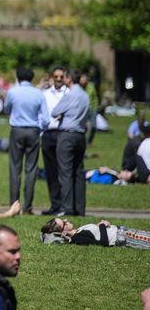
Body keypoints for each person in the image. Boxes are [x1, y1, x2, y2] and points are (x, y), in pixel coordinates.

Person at [2, 67, 46, 215]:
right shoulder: (38, 93)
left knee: (15, 168)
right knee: (31, 169)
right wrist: (39, 128)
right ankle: (27, 207)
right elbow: (45, 118)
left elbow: (6, 109)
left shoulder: (13, 91)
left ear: (18, 77)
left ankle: (14, 205)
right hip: (33, 130)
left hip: (17, 130)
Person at [50, 69, 88, 217]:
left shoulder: (70, 94)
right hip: (80, 134)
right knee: (78, 172)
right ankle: (80, 208)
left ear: (69, 79)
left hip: (67, 135)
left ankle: (67, 208)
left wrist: (63, 115)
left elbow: (55, 111)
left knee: (65, 172)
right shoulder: (85, 95)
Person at [40, 66, 68, 215]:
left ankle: (64, 204)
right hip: (47, 134)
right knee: (50, 172)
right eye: (56, 76)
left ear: (65, 77)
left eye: (61, 77)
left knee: (62, 171)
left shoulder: (69, 94)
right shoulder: (45, 94)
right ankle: (54, 204)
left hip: (62, 134)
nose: (58, 79)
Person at [40, 216, 150, 249]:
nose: (66, 221)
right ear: (63, 233)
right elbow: (103, 243)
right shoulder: (78, 238)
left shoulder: (78, 232)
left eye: (63, 219)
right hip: (125, 237)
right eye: (63, 224)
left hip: (124, 232)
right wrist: (102, 225)